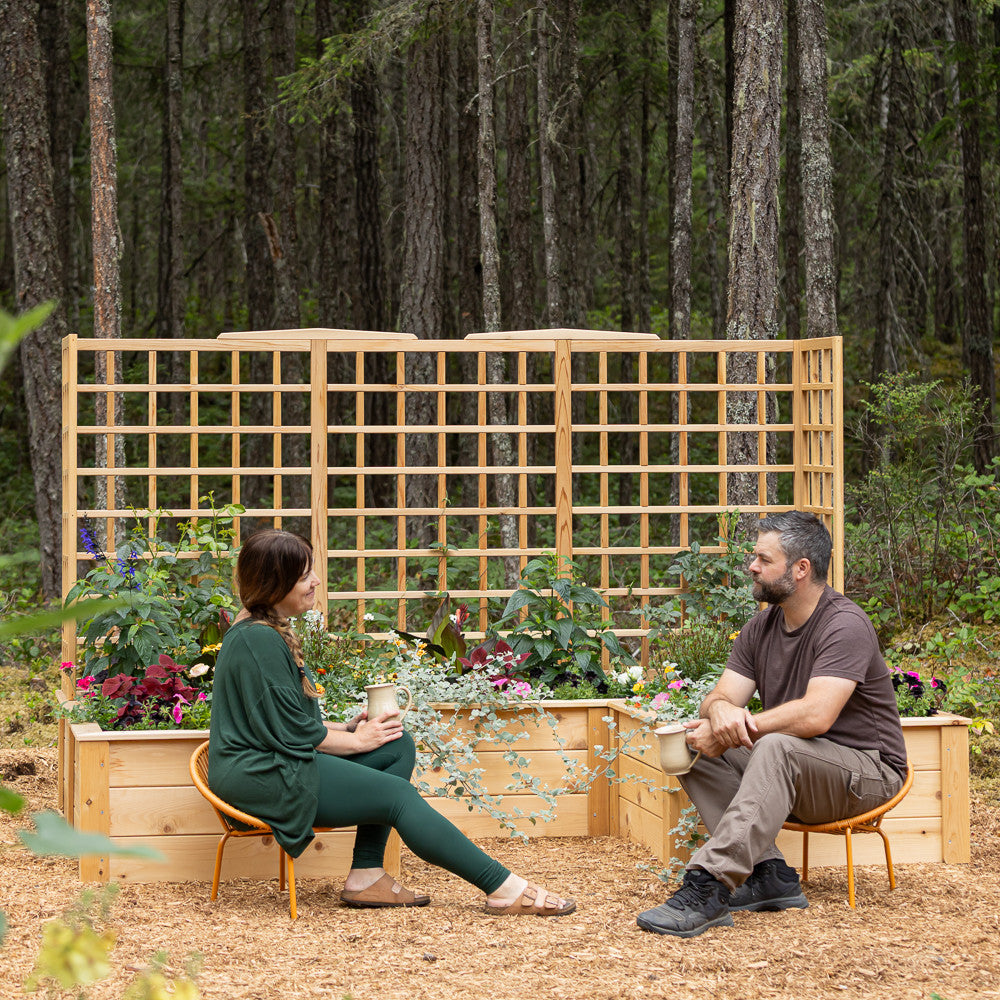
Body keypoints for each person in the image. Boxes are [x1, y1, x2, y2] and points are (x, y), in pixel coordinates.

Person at [209, 528, 575, 916]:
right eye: (304, 576)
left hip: (274, 760)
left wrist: (351, 730)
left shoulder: (262, 631)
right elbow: (291, 732)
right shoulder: (258, 640)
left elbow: (280, 721)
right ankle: (502, 886)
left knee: (395, 744)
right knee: (398, 798)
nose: (315, 581)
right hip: (260, 774)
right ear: (274, 583)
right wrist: (356, 741)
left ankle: (366, 875)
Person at [637, 511, 907, 938]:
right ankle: (770, 876)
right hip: (799, 770)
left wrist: (739, 724)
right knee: (693, 745)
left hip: (867, 774)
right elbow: (720, 696)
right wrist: (721, 712)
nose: (752, 566)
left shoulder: (845, 624)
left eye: (763, 558)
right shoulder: (761, 626)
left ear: (801, 569)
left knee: (775, 746)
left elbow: (817, 714)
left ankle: (709, 885)